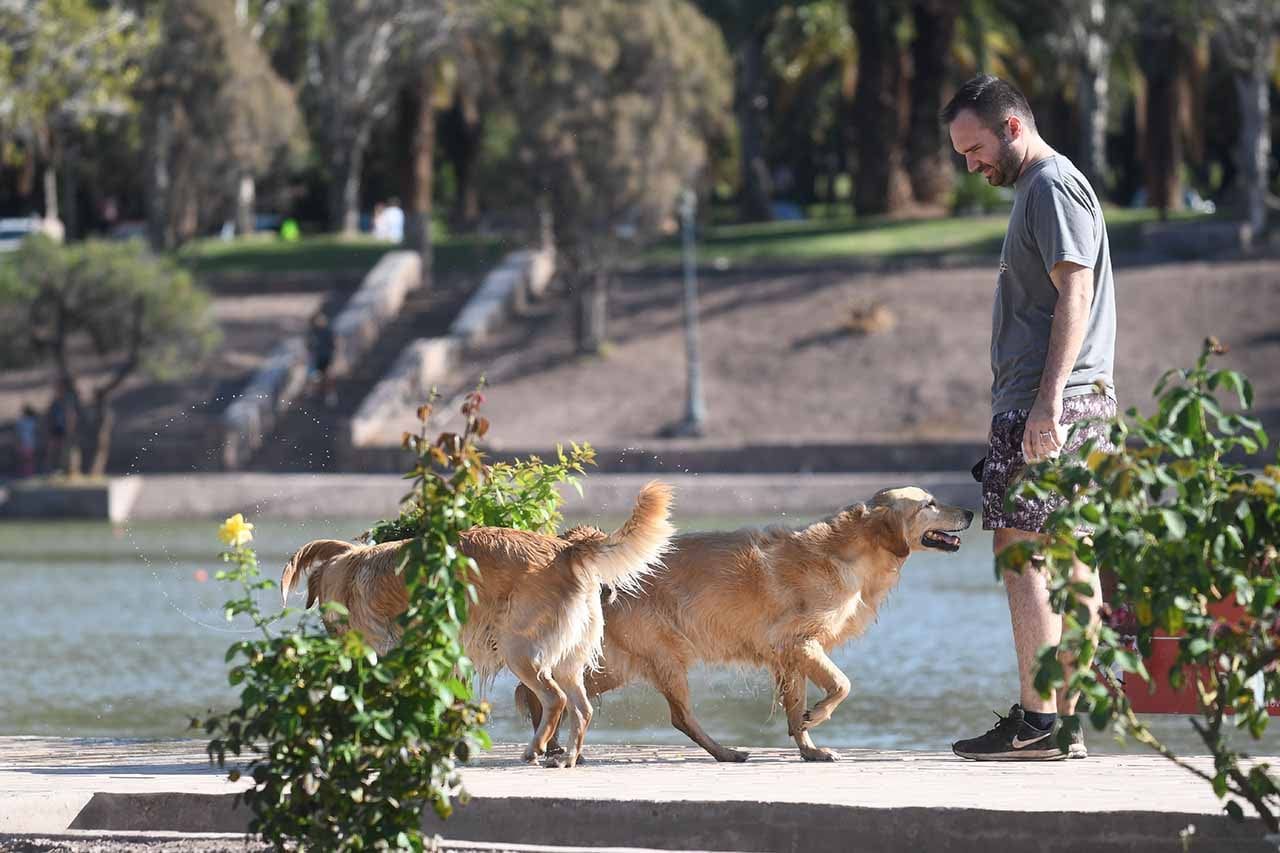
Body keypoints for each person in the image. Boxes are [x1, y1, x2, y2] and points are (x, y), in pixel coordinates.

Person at [940, 74, 1116, 761]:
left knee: (1022, 550)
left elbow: (1077, 290)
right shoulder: (1047, 187)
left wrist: (1046, 403)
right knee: (1070, 553)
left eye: (976, 148)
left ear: (1013, 126)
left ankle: (1041, 719)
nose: (970, 164)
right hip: (1075, 400)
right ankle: (1062, 725)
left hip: (1049, 403)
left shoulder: (1049, 186)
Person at [307, 312, 337, 408]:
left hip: (326, 357)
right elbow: (309, 345)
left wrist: (332, 358)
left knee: (327, 377)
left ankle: (330, 396)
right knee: (314, 377)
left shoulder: (327, 332)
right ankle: (314, 395)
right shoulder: (313, 332)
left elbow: (333, 345)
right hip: (316, 358)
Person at [14, 404, 39, 478]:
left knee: (25, 460)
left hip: (26, 442)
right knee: (28, 460)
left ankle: (27, 473)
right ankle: (28, 473)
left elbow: (18, 433)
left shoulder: (23, 421)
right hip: (29, 442)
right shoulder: (32, 421)